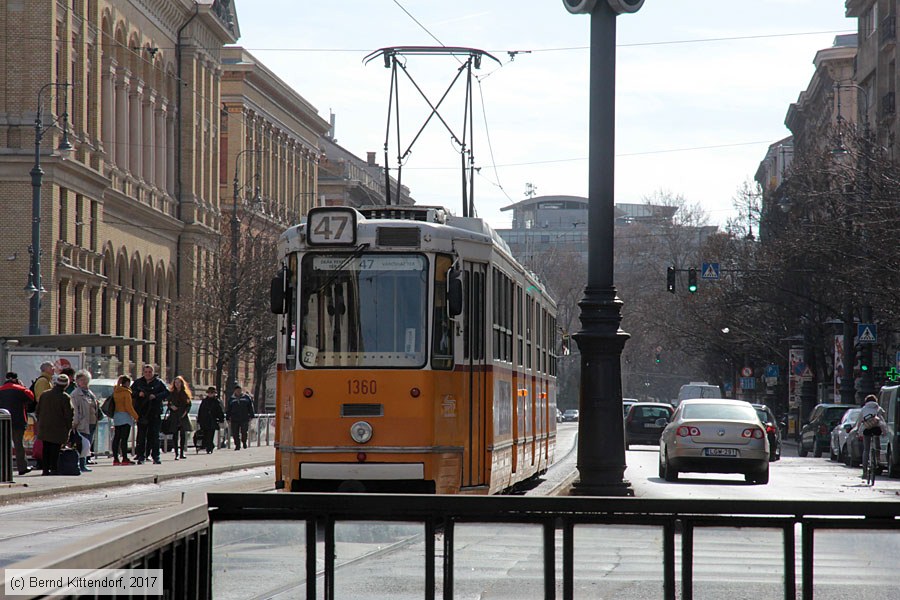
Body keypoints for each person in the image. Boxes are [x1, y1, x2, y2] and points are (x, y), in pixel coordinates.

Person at [34, 373, 74, 476]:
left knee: (46, 448)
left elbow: (37, 411)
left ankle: (45, 469)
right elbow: (68, 415)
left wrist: (41, 421)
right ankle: (54, 468)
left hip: (45, 426)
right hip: (58, 427)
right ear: (66, 385)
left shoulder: (44, 394)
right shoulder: (65, 397)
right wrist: (69, 427)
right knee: (55, 449)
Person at [131, 364, 169, 465]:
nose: (148, 374)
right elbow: (130, 392)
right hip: (142, 413)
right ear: (143, 372)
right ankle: (141, 456)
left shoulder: (158, 382)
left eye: (150, 372)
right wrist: (138, 394)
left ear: (153, 372)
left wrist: (156, 396)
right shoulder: (138, 382)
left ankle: (156, 456)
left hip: (154, 412)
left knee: (155, 436)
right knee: (141, 436)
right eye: (146, 372)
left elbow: (167, 393)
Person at [0, 372, 35, 475]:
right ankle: (22, 467)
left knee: (2, 445)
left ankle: (2, 468)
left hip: (2, 421)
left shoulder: (1, 389)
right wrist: (22, 386)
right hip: (18, 421)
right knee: (18, 444)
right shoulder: (21, 390)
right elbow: (31, 397)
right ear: (16, 379)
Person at [70, 370, 98, 472]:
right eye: (81, 380)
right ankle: (80, 464)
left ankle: (84, 463)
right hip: (82, 423)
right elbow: (75, 410)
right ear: (77, 381)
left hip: (91, 422)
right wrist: (75, 423)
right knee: (82, 445)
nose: (84, 382)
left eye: (86, 380)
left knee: (88, 445)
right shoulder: (76, 394)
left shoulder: (90, 393)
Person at [857, 394, 887, 479]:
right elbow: (883, 418)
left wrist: (858, 431)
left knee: (866, 449)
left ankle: (864, 471)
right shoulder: (878, 408)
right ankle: (877, 460)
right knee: (877, 444)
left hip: (867, 429)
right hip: (876, 429)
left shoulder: (864, 409)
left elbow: (859, 421)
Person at [111, 375, 139, 465]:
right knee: (124, 439)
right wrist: (136, 416)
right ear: (127, 383)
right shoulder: (126, 393)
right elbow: (128, 407)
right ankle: (125, 458)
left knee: (116, 438)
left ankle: (115, 458)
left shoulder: (116, 391)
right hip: (125, 417)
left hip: (117, 416)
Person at [166, 376, 193, 460]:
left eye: (179, 382)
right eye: (176, 383)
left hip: (182, 415)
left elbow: (188, 404)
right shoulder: (172, 393)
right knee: (174, 434)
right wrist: (171, 406)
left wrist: (185, 412)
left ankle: (182, 452)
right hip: (174, 415)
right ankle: (176, 453)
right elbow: (168, 402)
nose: (177, 384)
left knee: (182, 435)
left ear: (182, 383)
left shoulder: (185, 393)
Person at [197, 386, 225, 454]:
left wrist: (221, 419)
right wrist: (199, 420)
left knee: (210, 434)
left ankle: (209, 448)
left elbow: (220, 411)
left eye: (212, 393)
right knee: (205, 434)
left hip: (212, 421)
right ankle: (210, 445)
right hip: (204, 420)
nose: (210, 394)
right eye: (209, 393)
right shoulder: (204, 401)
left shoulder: (216, 401)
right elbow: (200, 411)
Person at [227, 385, 255, 450]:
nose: (238, 391)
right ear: (234, 391)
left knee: (244, 432)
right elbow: (229, 409)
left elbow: (250, 407)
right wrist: (228, 417)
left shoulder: (246, 398)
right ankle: (237, 445)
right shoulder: (232, 399)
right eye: (237, 390)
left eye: (239, 390)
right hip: (234, 418)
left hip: (244, 418)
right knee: (235, 433)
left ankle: (244, 442)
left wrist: (251, 415)